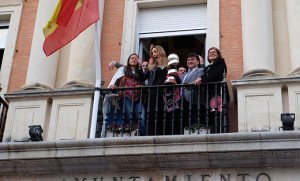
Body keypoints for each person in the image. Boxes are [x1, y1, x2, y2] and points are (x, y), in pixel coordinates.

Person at [110, 53, 146, 136]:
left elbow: (143, 79)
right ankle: (131, 137)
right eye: (132, 58)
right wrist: (114, 86)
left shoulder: (140, 72)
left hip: (137, 98)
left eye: (136, 58)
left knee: (142, 118)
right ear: (128, 61)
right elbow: (117, 82)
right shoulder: (123, 70)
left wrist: (140, 65)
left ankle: (144, 139)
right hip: (125, 96)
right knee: (129, 115)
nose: (133, 59)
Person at [194, 47, 228, 133]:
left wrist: (202, 80)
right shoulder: (208, 67)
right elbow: (204, 77)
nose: (211, 53)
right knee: (210, 114)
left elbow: (216, 75)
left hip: (217, 92)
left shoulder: (220, 63)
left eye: (214, 52)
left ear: (218, 54)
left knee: (216, 113)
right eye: (210, 53)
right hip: (209, 93)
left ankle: (216, 132)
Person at [145, 45, 168, 135]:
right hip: (153, 93)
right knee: (151, 114)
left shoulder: (168, 63)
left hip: (164, 93)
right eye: (153, 53)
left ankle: (162, 134)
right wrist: (140, 65)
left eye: (156, 52)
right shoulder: (151, 66)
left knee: (162, 114)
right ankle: (151, 134)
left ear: (161, 52)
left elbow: (174, 77)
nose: (154, 54)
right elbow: (143, 77)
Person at [181, 53, 205, 129]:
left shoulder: (201, 70)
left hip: (194, 100)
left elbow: (198, 80)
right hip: (182, 101)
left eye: (192, 59)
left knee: (193, 122)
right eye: (188, 60)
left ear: (198, 62)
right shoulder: (183, 75)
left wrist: (189, 85)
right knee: (184, 123)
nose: (190, 61)